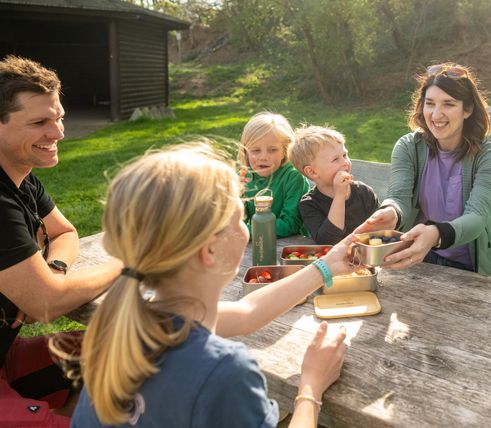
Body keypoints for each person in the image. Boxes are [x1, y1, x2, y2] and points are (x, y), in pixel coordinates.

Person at [70, 142, 354, 427]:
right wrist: (310, 386)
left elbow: (247, 312)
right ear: (210, 251)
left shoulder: (122, 325)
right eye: (239, 218)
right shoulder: (225, 372)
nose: (246, 228)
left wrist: (326, 266)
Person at [0, 55, 122, 427]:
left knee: (125, 348)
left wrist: (53, 270)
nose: (58, 133)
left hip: (7, 356)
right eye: (39, 123)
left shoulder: (20, 175)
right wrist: (124, 263)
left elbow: (65, 232)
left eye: (59, 118)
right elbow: (47, 303)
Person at [356, 63, 491, 279]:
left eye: (448, 104)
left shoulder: (490, 151)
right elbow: (399, 198)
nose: (436, 114)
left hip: (475, 271)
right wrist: (391, 212)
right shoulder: (409, 147)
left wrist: (436, 234)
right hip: (419, 258)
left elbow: (478, 217)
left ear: (467, 109)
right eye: (430, 103)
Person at [290, 125, 379, 244]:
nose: (345, 163)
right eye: (336, 159)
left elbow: (382, 230)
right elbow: (328, 240)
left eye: (344, 155)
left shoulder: (364, 192)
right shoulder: (309, 204)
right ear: (312, 172)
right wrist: (339, 196)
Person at [238, 112, 310, 238]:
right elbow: (238, 219)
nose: (263, 157)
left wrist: (245, 232)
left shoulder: (293, 177)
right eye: (255, 150)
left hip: (291, 246)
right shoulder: (245, 177)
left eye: (273, 150)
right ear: (245, 151)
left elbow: (290, 224)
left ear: (285, 150)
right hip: (257, 244)